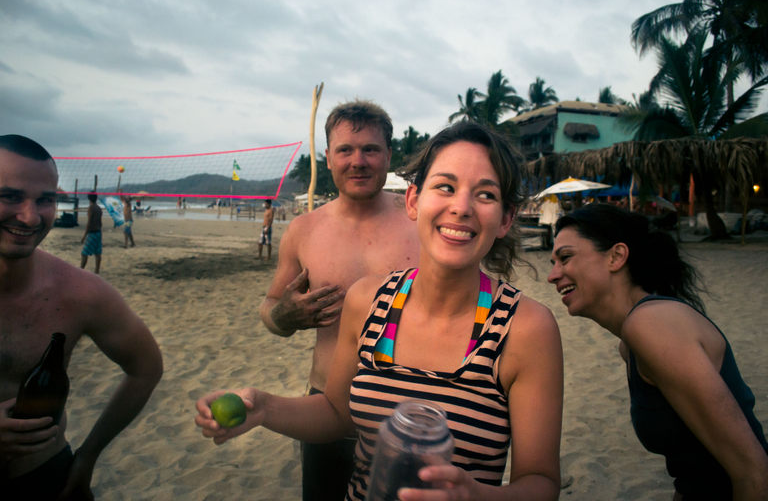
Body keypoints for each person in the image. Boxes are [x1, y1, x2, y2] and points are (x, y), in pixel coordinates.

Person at [197, 121, 564, 500]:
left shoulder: (526, 329)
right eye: (445, 187)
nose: (461, 207)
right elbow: (337, 416)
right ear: (413, 201)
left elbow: (540, 483)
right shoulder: (368, 299)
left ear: (505, 218)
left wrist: (475, 497)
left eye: (485, 194)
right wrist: (263, 408)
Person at [254, 99, 419, 500]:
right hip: (327, 404)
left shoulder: (420, 222)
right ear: (328, 158)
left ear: (389, 157)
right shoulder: (304, 230)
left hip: (410, 412)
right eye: (345, 150)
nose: (357, 161)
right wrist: (285, 316)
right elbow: (270, 308)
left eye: (370, 149)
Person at [547, 203, 768, 500]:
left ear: (616, 256)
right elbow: (694, 472)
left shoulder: (652, 324)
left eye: (565, 258)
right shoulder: (631, 343)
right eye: (553, 262)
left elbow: (755, 472)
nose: (553, 275)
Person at [0, 134, 164, 499]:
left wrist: (88, 455)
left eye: (46, 200)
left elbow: (147, 368)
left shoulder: (81, 293)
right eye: (10, 196)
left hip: (43, 475)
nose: (29, 216)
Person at [80, 192, 102, 274]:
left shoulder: (91, 208)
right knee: (97, 253)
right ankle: (97, 271)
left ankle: (81, 270)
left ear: (89, 199)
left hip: (92, 233)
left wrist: (84, 236)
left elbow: (89, 223)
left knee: (84, 253)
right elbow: (100, 223)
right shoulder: (99, 208)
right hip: (98, 232)